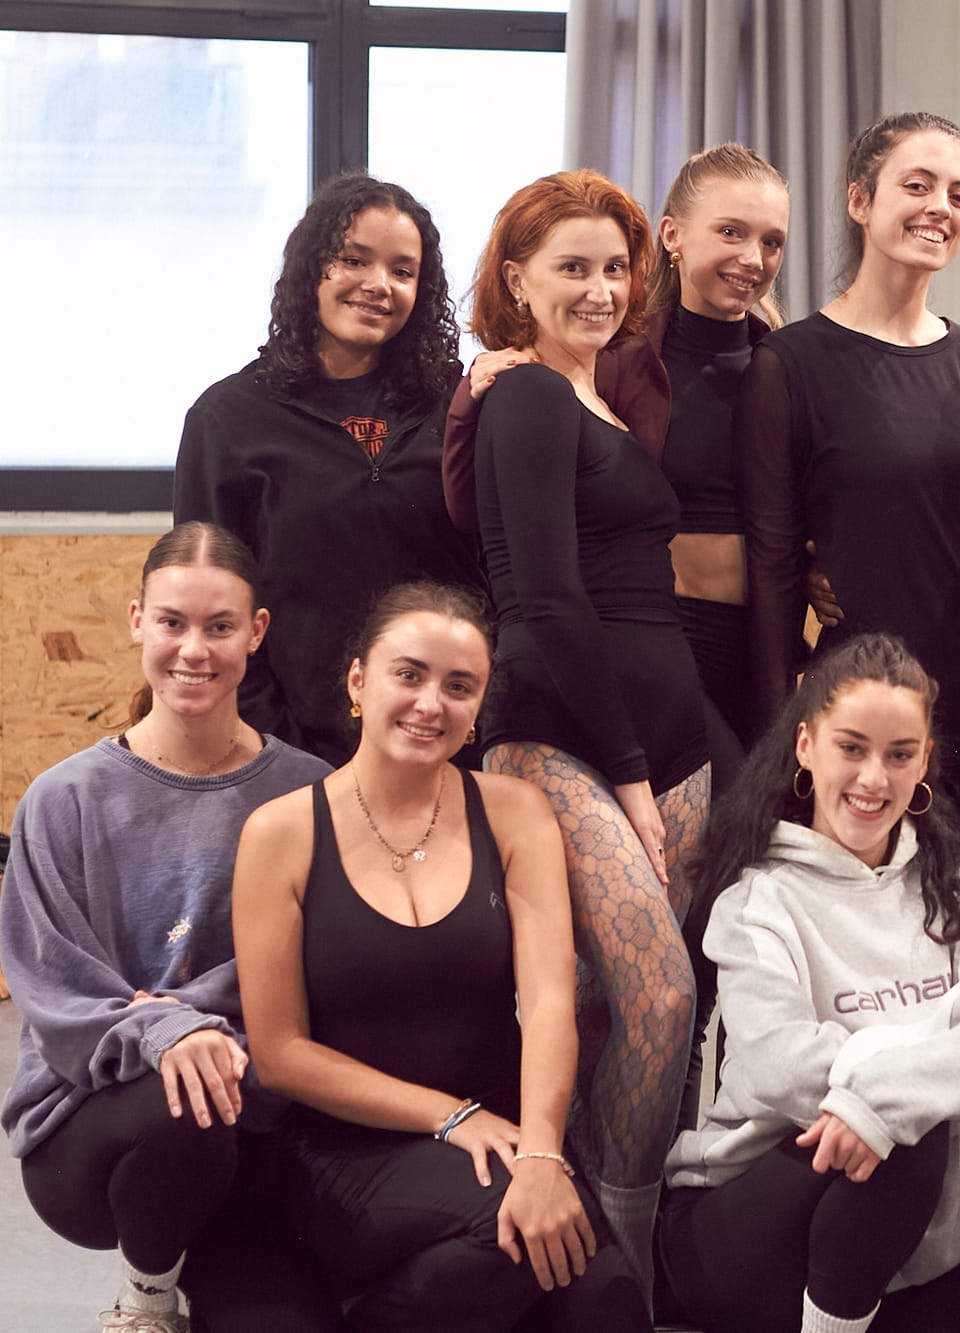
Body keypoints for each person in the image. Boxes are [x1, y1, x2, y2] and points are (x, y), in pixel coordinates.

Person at [233, 582, 650, 1331]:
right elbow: (280, 1052)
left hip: (499, 1135)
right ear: (358, 681)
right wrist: (451, 1117)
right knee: (509, 1243)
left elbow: (549, 1003)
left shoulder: (514, 811)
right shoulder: (281, 832)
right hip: (346, 1149)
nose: (432, 703)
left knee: (607, 1301)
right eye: (409, 674)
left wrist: (543, 1155)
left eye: (459, 686)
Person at [464, 169, 710, 1291]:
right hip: (561, 737)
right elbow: (552, 604)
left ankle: (609, 1269)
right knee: (661, 995)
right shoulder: (523, 395)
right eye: (573, 267)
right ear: (517, 280)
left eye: (616, 267)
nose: (601, 289)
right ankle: (620, 1268)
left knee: (617, 1005)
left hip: (667, 743)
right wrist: (628, 772)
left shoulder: (601, 394)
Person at [658, 634, 960, 1333]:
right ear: (806, 745)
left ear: (924, 761)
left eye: (899, 754)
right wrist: (950, 1080)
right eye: (852, 747)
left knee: (900, 1121)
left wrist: (916, 1088)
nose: (873, 778)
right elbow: (779, 1064)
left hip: (899, 1251)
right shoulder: (757, 898)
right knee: (908, 1127)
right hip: (746, 1223)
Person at [3, 522, 330, 1333]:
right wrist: (162, 1034)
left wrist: (185, 1017)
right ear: (136, 620)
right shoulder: (62, 799)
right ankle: (148, 1302)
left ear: (256, 632)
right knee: (182, 1102)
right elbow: (59, 997)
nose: (194, 649)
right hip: (95, 1122)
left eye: (220, 626)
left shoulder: (309, 793)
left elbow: (314, 969)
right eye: (173, 622)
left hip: (253, 1116)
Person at [739, 111, 960, 913]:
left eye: (959, 195)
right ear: (860, 200)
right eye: (918, 185)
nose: (940, 207)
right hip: (866, 731)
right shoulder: (788, 365)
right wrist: (779, 733)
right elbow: (772, 565)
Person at [443, 143, 791, 782]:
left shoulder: (787, 360)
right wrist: (470, 399)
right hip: (659, 637)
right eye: (731, 232)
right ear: (672, 236)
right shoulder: (611, 355)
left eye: (772, 241)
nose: (752, 257)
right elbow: (488, 511)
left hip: (766, 638)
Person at [175, 172, 481, 767]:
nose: (378, 285)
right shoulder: (228, 418)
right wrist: (271, 739)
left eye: (402, 270)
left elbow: (495, 573)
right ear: (311, 268)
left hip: (443, 736)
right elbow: (209, 600)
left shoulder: (459, 406)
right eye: (354, 260)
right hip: (294, 752)